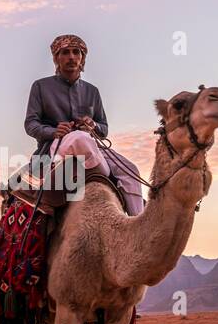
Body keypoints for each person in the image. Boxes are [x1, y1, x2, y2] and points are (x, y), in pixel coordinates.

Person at [23, 33, 144, 215]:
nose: (71, 57)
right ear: (56, 58)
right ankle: (101, 175)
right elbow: (31, 124)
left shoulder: (92, 91)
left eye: (76, 52)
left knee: (131, 170)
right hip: (56, 148)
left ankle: (137, 223)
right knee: (79, 137)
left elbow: (104, 129)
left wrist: (93, 125)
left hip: (92, 147)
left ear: (82, 58)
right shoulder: (40, 87)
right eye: (65, 52)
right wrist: (54, 131)